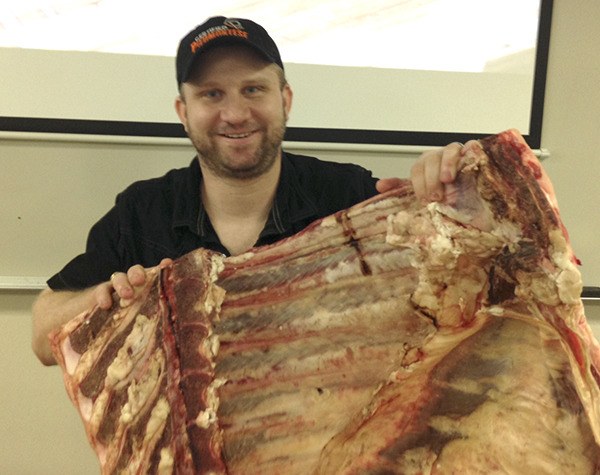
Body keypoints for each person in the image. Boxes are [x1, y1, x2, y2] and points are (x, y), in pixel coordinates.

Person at [31, 16, 464, 365]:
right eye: (212, 94)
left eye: (253, 89)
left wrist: (452, 185)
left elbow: (456, 284)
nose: (235, 114)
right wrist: (99, 299)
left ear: (285, 99)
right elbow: (41, 335)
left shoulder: (346, 193)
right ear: (183, 112)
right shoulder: (144, 210)